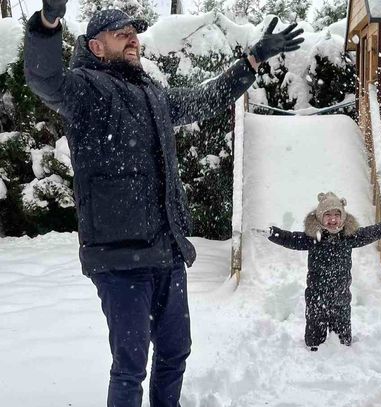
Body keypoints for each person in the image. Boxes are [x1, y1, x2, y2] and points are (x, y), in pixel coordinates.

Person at [24, 1, 304, 406]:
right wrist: (48, 24)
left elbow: (205, 99)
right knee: (130, 366)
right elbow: (46, 78)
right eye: (121, 34)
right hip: (120, 259)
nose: (132, 39)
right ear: (96, 46)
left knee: (175, 352)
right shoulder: (84, 89)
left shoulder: (152, 94)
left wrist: (253, 58)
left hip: (166, 251)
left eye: (134, 33)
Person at [264, 192, 381, 350]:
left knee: (343, 344)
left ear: (343, 218)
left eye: (337, 214)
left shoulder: (349, 237)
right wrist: (273, 233)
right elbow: (290, 238)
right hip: (316, 299)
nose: (332, 219)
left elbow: (370, 233)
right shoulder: (312, 238)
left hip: (341, 299)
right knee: (314, 344)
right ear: (320, 217)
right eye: (327, 214)